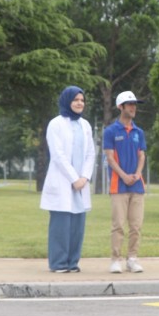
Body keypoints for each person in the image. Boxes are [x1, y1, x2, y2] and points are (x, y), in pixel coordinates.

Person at [40, 86, 96, 273]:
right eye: (75, 100)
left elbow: (90, 153)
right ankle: (58, 263)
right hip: (64, 181)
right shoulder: (56, 124)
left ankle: (73, 262)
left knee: (77, 224)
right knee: (61, 224)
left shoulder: (85, 125)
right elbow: (58, 155)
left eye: (82, 100)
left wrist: (85, 177)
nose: (80, 103)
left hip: (81, 182)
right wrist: (74, 178)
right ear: (67, 101)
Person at [103, 91, 148, 274]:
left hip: (137, 185)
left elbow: (142, 155)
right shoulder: (111, 131)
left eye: (135, 104)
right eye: (129, 104)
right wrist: (123, 175)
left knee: (136, 226)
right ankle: (115, 259)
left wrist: (137, 173)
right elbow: (110, 158)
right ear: (120, 107)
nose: (133, 107)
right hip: (119, 185)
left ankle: (132, 258)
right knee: (118, 225)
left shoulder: (139, 132)